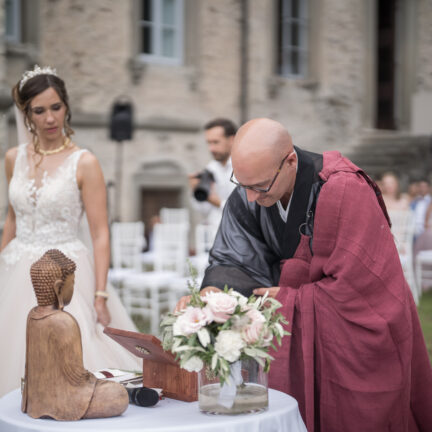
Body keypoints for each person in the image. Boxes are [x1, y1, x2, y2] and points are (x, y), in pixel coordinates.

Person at [176, 118, 432, 431]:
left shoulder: (343, 188)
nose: (252, 197)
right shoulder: (251, 189)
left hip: (351, 340)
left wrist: (290, 298)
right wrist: (212, 292)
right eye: (243, 185)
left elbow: (363, 289)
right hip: (295, 335)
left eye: (260, 187)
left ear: (290, 161)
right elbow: (234, 258)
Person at [0, 65, 140, 397]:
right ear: (27, 114)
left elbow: (100, 233)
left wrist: (100, 295)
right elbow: (12, 218)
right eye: (39, 110)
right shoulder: (12, 158)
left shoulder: (85, 162)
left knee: (75, 360)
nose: (49, 118)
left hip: (66, 273)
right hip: (15, 268)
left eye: (56, 107)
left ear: (66, 106)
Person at [22, 249, 128, 421]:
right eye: (72, 283)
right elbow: (76, 377)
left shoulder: (32, 315)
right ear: (58, 288)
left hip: (37, 396)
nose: (73, 288)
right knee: (119, 395)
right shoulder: (64, 321)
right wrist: (94, 379)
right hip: (67, 398)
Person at [188, 118, 237, 227]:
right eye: (209, 143)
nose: (211, 148)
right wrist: (196, 190)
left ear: (232, 140)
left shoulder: (244, 167)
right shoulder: (210, 168)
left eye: (216, 142)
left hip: (238, 232)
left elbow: (245, 211)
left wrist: (217, 202)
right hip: (214, 232)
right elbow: (204, 210)